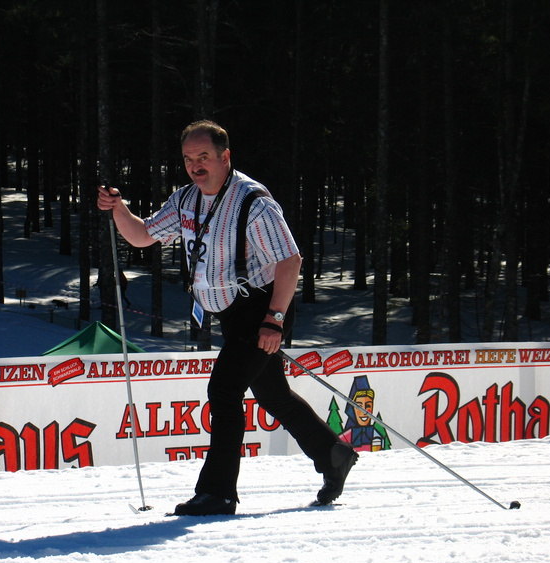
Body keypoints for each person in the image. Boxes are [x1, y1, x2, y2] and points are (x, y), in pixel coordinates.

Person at [97, 120, 357, 515]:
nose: (195, 166)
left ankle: (217, 493)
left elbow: (290, 260)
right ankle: (333, 454)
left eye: (203, 157)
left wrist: (274, 319)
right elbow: (142, 235)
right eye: (188, 159)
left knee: (224, 390)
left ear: (225, 157)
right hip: (232, 313)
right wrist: (118, 208)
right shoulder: (186, 199)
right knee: (272, 394)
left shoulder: (253, 202)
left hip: (262, 308)